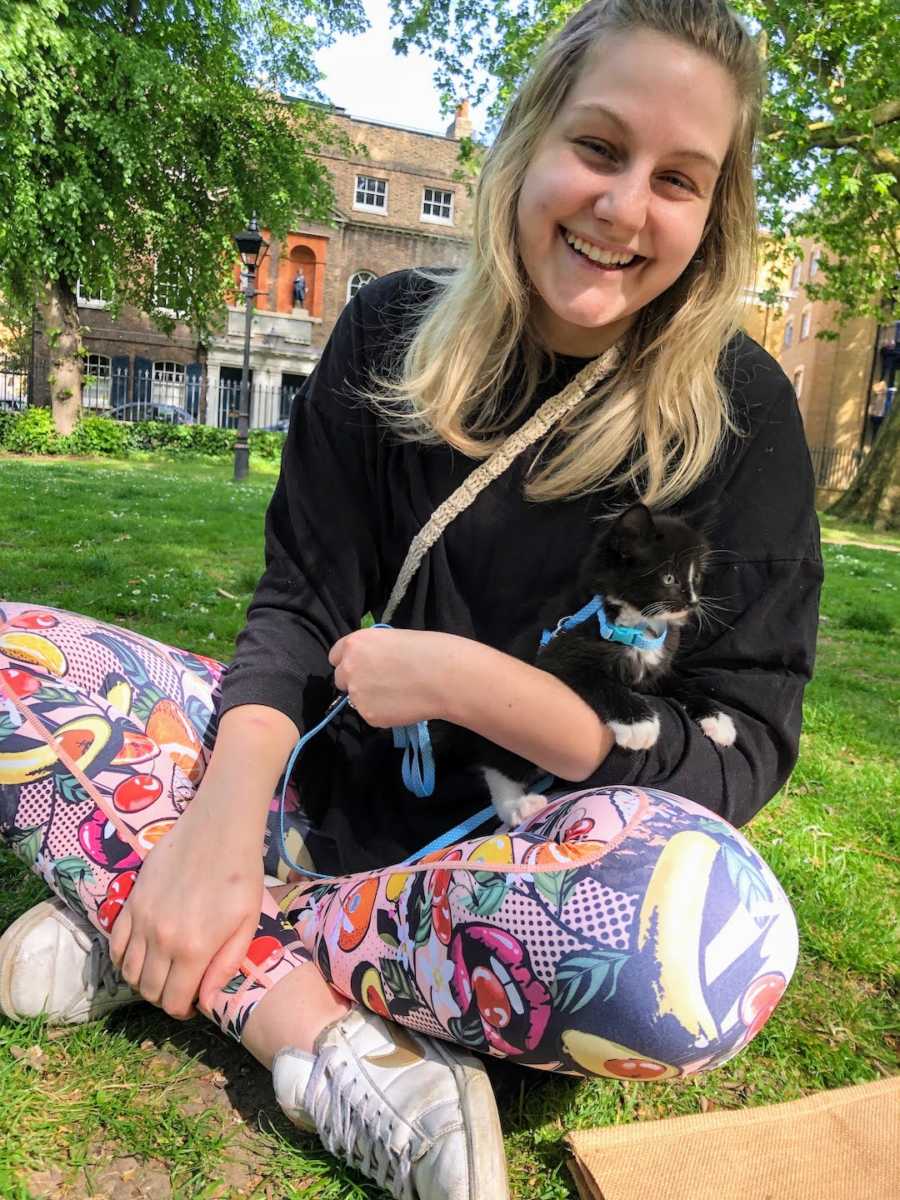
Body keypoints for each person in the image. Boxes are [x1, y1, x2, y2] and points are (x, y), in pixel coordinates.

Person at [0, 2, 821, 1197]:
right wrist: (226, 820)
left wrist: (472, 684)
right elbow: (299, 605)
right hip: (307, 795)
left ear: (715, 213)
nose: (624, 206)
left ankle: (166, 922)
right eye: (599, 148)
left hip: (517, 872)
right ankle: (311, 1023)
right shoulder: (386, 330)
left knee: (710, 952)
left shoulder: (744, 422)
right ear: (531, 142)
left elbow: (744, 749)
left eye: (679, 179)